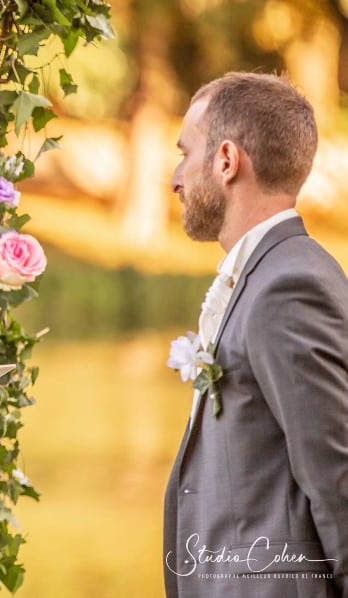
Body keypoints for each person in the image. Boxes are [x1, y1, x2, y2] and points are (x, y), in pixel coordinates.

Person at [164, 72, 348, 597]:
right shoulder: (269, 272)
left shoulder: (287, 287)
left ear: (226, 160)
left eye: (185, 152)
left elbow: (336, 481)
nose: (176, 177)